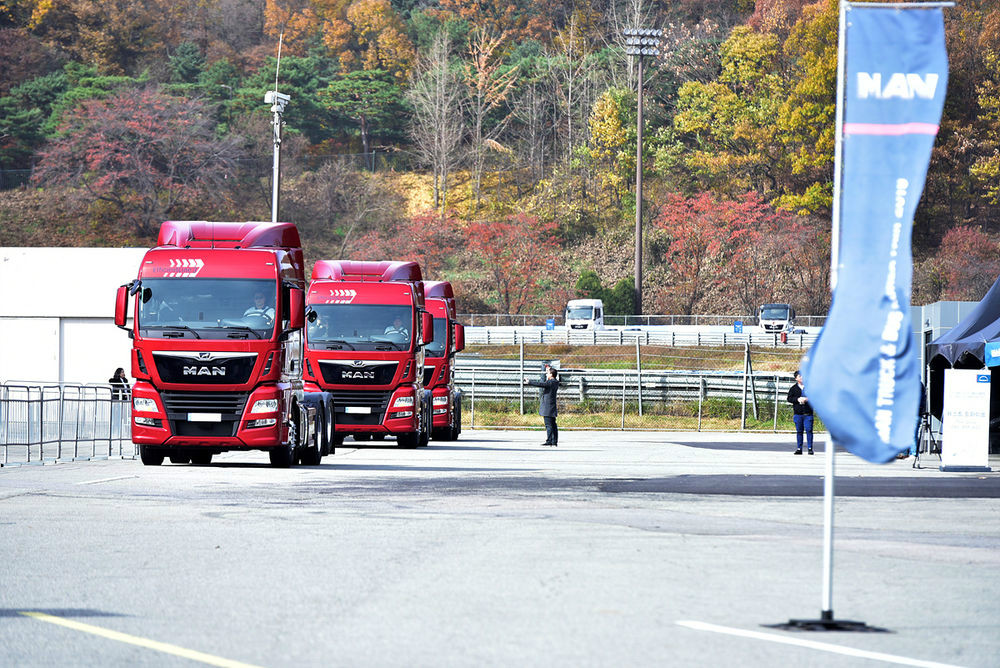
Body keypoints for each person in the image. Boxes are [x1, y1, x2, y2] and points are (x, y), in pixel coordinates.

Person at [524, 365, 560, 446]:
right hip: (551, 406)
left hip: (548, 406)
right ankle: (554, 441)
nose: (546, 375)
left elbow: (540, 384)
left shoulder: (550, 382)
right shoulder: (554, 382)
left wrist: (529, 382)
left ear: (551, 375)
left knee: (549, 424)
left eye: (548, 374)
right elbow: (547, 381)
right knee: (553, 424)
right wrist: (548, 370)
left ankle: (549, 441)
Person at [787, 369, 813, 455]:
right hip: (798, 414)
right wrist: (797, 399)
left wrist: (807, 399)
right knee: (799, 431)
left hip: (808, 414)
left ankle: (810, 448)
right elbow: (789, 398)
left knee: (809, 430)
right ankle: (799, 448)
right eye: (799, 376)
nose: (802, 377)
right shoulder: (793, 388)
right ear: (796, 378)